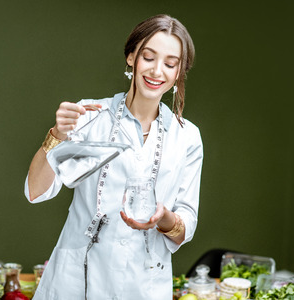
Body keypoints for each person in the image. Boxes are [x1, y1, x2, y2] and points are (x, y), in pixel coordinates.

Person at [25, 14, 203, 300]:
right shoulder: (89, 116)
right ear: (131, 57)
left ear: (179, 72)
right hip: (75, 280)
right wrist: (57, 134)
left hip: (143, 283)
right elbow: (36, 190)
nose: (157, 71)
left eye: (170, 64)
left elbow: (184, 228)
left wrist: (163, 217)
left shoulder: (188, 138)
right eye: (148, 57)